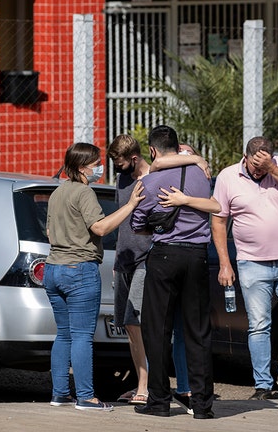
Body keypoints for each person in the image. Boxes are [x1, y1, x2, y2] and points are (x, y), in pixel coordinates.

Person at [44, 142, 145, 412]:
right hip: (79, 270)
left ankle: (60, 393)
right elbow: (100, 227)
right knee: (81, 336)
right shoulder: (83, 192)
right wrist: (131, 205)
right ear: (81, 167)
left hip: (54, 268)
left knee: (63, 335)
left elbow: (51, 234)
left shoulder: (58, 192)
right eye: (95, 164)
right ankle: (86, 397)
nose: (99, 168)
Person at [212, 136, 278, 400]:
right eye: (256, 166)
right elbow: (219, 222)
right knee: (259, 325)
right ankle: (263, 385)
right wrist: (225, 263)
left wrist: (273, 169)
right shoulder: (227, 177)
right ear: (246, 157)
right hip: (251, 262)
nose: (258, 172)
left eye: (263, 166)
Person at [106, 135, 202, 410]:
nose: (116, 166)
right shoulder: (123, 180)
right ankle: (141, 383)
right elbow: (124, 220)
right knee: (128, 325)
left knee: (137, 321)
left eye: (119, 161)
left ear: (135, 158)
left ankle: (148, 387)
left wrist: (198, 158)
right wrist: (116, 262)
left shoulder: (155, 176)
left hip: (148, 258)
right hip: (124, 259)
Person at [130, 125, 218, 420]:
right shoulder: (201, 174)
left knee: (157, 329)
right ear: (179, 147)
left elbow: (138, 222)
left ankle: (159, 400)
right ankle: (203, 405)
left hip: (165, 256)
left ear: (153, 151)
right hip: (197, 256)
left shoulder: (151, 181)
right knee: (198, 331)